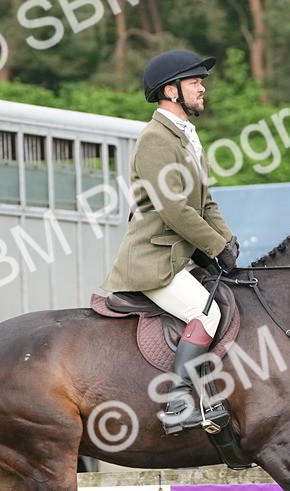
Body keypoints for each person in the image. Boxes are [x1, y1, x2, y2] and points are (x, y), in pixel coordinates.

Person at [100, 49, 239, 435]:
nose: (202, 88)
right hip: (154, 262)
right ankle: (177, 402)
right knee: (205, 313)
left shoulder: (187, 139)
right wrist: (215, 247)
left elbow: (205, 201)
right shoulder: (155, 140)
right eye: (195, 82)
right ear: (170, 91)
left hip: (180, 258)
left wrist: (228, 241)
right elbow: (175, 210)